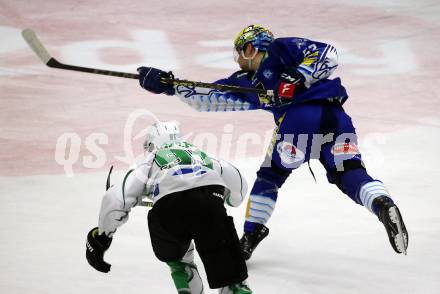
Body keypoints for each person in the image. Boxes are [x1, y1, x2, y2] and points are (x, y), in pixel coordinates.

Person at [136, 24, 409, 260]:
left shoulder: (281, 49)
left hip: (298, 122)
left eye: (240, 51)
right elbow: (209, 98)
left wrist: (298, 75)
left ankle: (251, 236)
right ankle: (382, 204)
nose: (238, 59)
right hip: (337, 120)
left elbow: (328, 52)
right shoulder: (245, 82)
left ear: (252, 48)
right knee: (349, 171)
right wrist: (170, 85)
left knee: (270, 176)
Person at [85, 121, 253, 294]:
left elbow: (116, 198)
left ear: (151, 144)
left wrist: (103, 236)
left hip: (168, 210)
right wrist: (230, 200)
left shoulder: (149, 159)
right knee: (231, 276)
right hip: (210, 204)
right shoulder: (204, 156)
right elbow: (240, 186)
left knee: (179, 260)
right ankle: (235, 287)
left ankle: (183, 275)